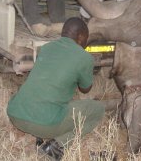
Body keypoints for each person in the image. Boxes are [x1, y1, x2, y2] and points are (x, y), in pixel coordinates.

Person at [7, 17, 105, 160]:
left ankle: (39, 136)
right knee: (98, 109)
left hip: (16, 114)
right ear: (81, 36)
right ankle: (57, 146)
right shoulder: (83, 57)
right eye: (86, 38)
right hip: (44, 123)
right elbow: (85, 88)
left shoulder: (47, 47)